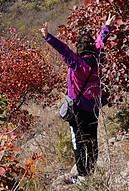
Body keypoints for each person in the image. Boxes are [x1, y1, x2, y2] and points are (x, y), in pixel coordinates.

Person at [41, 14, 114, 184]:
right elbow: (100, 42)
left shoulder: (76, 62)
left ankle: (82, 174)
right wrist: (106, 27)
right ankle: (92, 170)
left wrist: (48, 36)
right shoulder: (98, 59)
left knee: (79, 140)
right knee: (92, 138)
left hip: (78, 108)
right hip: (94, 107)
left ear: (79, 48)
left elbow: (63, 49)